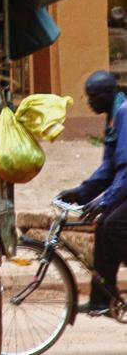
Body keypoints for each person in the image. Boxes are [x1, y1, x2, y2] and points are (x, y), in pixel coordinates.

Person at [57, 71, 127, 315]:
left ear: (108, 94)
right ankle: (102, 299)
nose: (89, 102)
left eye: (93, 96)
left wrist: (106, 200)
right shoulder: (112, 117)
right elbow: (109, 167)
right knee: (103, 225)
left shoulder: (125, 113)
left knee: (115, 225)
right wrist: (82, 192)